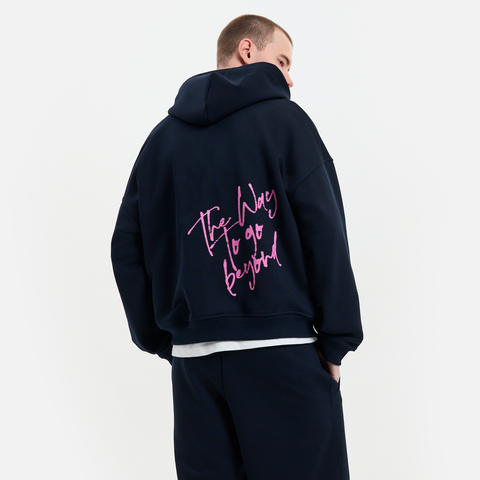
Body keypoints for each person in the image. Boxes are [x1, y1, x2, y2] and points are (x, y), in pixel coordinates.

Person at [111, 14, 363, 480]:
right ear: (248, 50)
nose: (289, 78)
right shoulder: (286, 123)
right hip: (283, 355)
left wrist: (166, 339)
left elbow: (127, 245)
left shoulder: (161, 141)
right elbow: (325, 233)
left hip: (195, 367)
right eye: (283, 61)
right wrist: (336, 342)